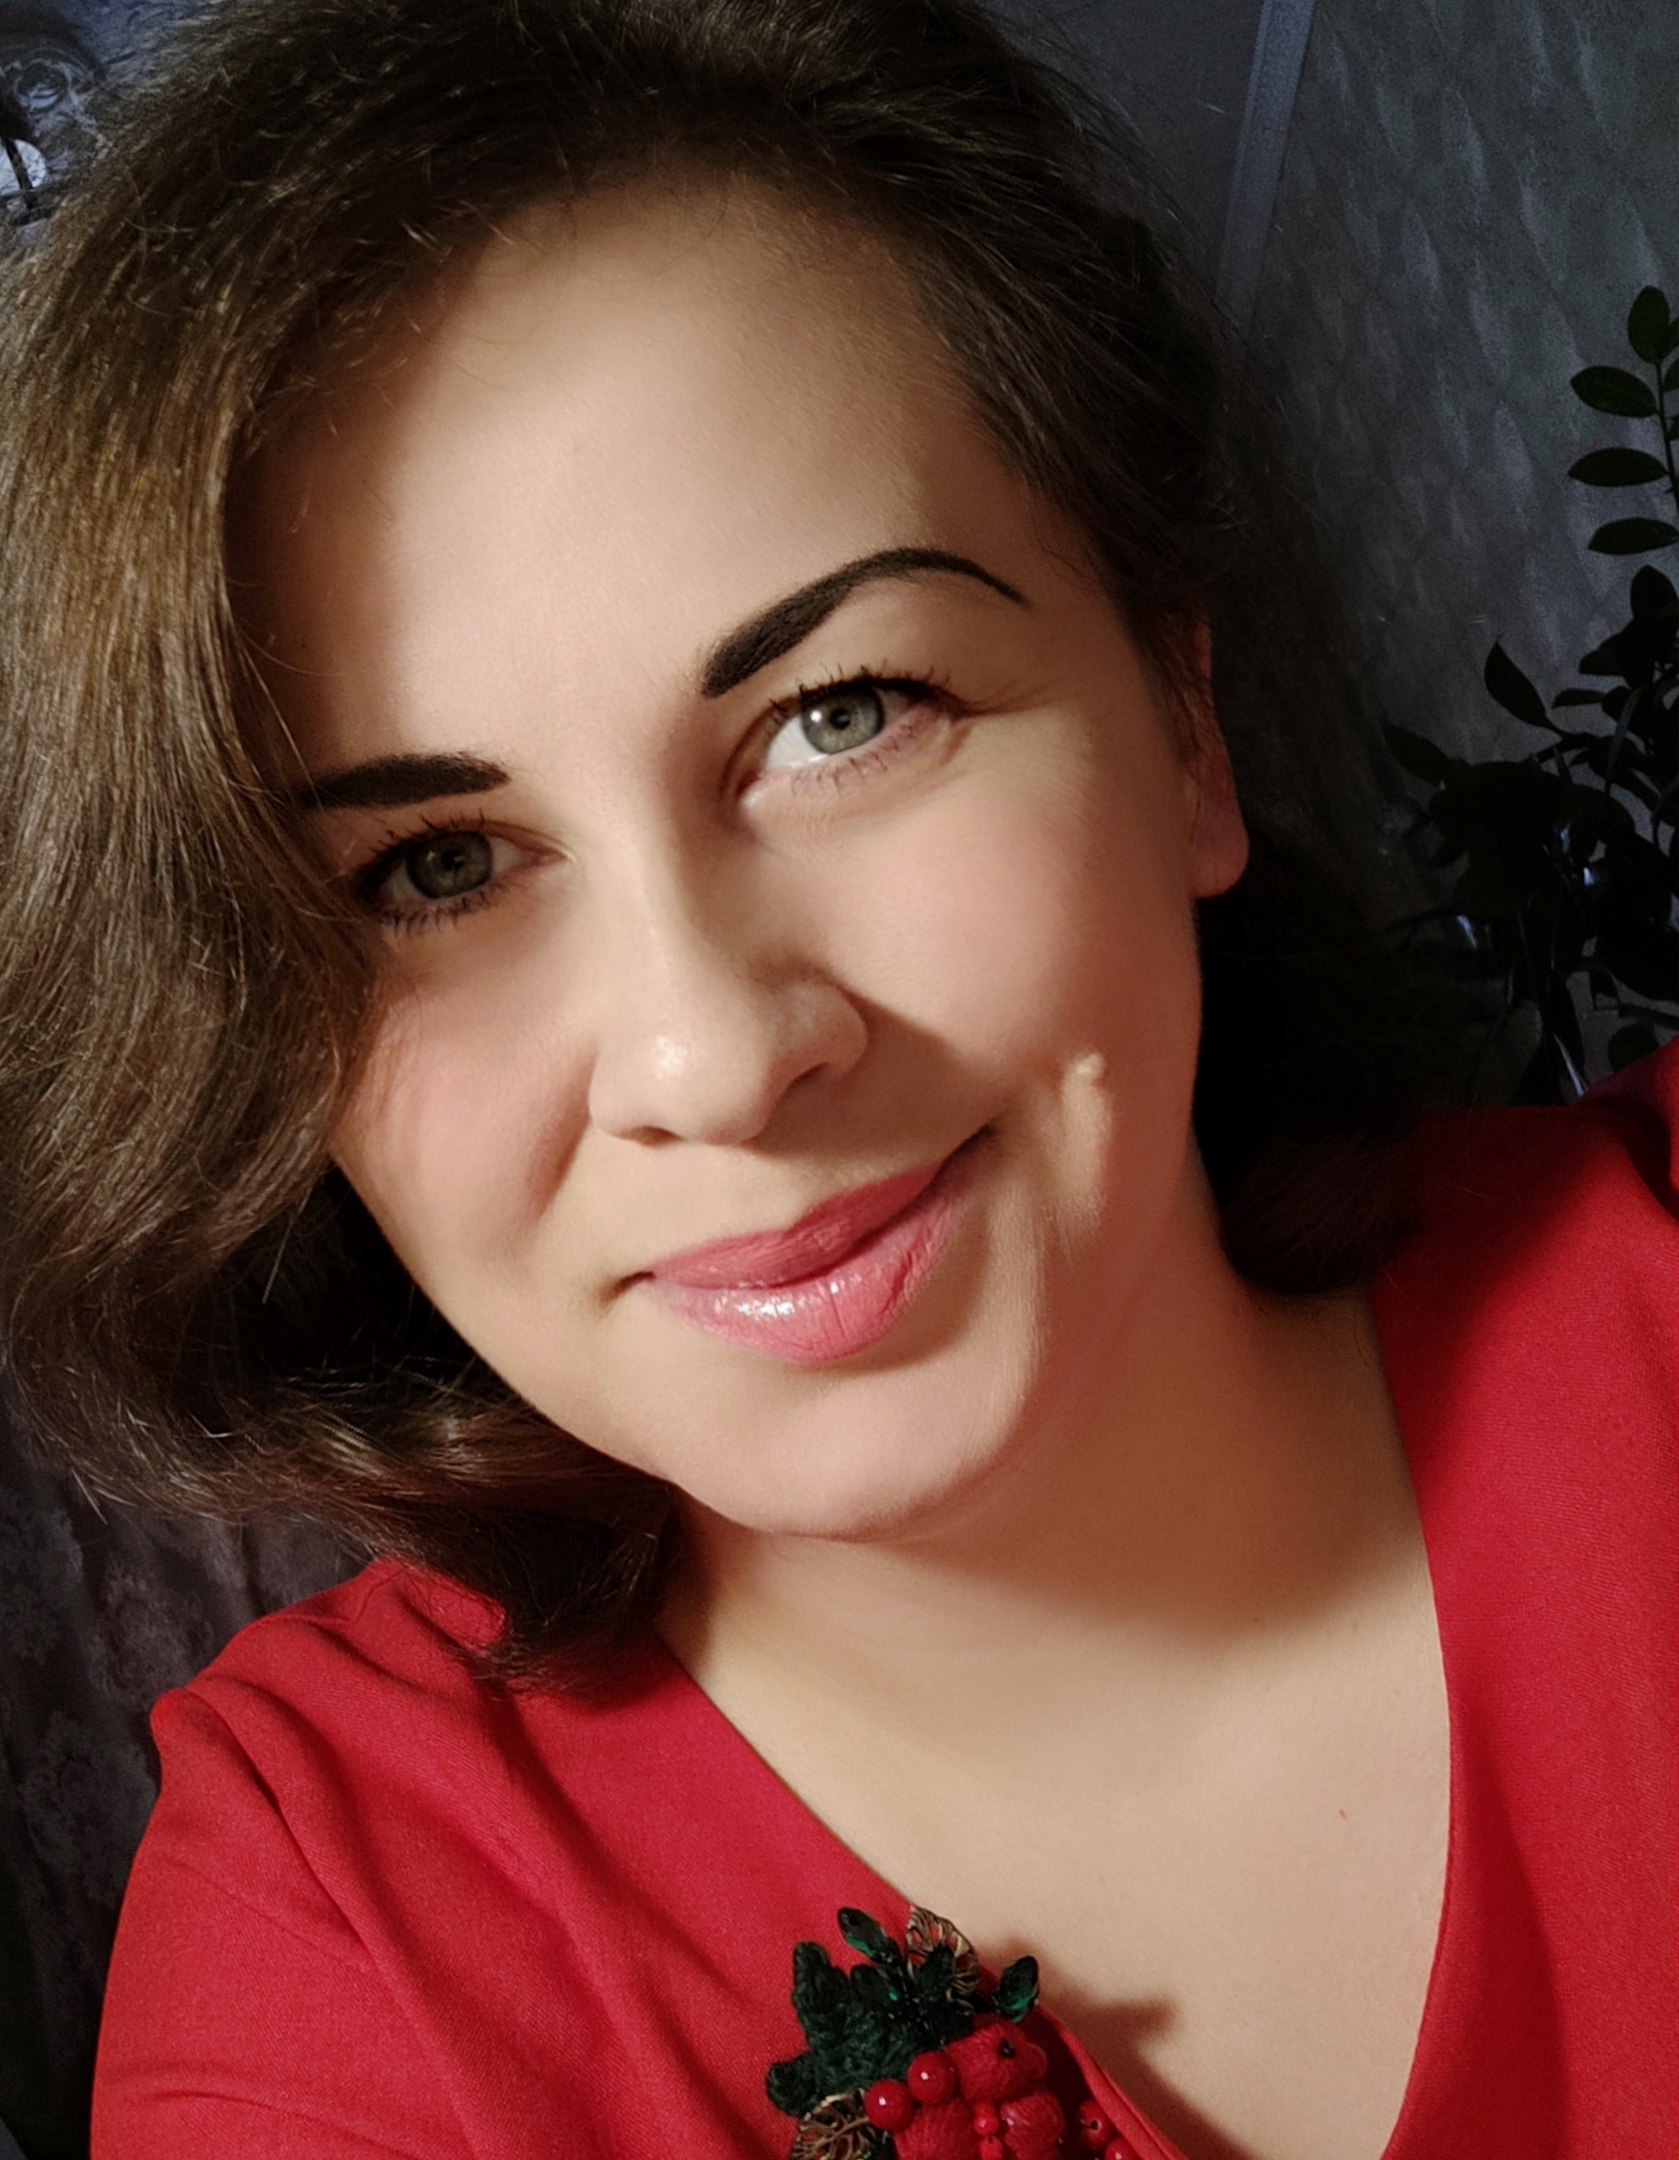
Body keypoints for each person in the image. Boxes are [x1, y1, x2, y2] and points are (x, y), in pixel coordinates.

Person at [0, 2, 1671, 2157]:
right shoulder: (334, 1931)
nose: (716, 1053)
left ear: (1184, 726)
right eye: (432, 869)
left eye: (846, 713)